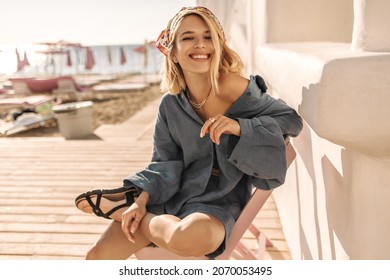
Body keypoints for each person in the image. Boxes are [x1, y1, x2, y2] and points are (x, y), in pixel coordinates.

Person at [75, 6, 303, 260]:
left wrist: (238, 126)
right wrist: (140, 202)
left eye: (208, 37)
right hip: (172, 196)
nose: (200, 44)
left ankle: (122, 210)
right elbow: (164, 163)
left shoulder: (235, 88)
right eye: (188, 37)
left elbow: (291, 120)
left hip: (219, 204)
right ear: (172, 53)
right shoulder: (170, 105)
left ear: (218, 45)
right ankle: (129, 209)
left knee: (190, 237)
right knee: (97, 257)